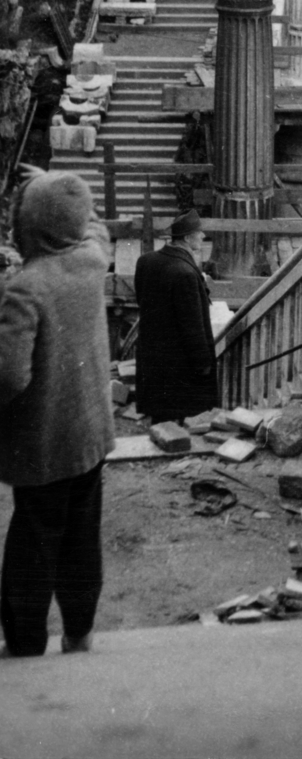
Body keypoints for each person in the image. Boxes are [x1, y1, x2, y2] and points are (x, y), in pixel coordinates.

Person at [0, 170, 115, 657]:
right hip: (90, 436)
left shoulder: (25, 289)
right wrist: (55, 188)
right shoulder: (92, 261)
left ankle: (25, 644)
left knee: (33, 544)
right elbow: (95, 226)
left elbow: (9, 377)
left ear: (28, 226)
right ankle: (79, 632)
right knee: (81, 539)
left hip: (42, 447)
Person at [134, 211, 218, 425]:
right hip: (179, 365)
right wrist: (203, 363)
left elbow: (140, 300)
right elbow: (192, 326)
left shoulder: (145, 261)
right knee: (178, 420)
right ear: (188, 238)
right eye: (199, 232)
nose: (203, 235)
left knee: (160, 418)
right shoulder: (185, 273)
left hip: (153, 359)